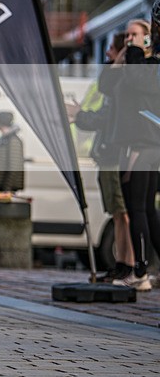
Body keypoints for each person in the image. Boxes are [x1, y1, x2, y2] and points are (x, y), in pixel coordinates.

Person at [98, 18, 160, 291]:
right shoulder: (130, 64)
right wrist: (123, 55)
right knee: (145, 208)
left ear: (148, 37)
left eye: (135, 35)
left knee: (138, 208)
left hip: (145, 143)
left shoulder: (149, 66)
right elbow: (106, 84)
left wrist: (135, 53)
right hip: (132, 142)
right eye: (127, 36)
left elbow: (138, 82)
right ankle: (144, 270)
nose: (129, 39)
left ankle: (141, 271)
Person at [67, 33, 134, 282]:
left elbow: (106, 116)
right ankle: (124, 264)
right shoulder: (115, 81)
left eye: (111, 50)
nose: (107, 54)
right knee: (117, 213)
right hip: (108, 155)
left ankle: (127, 264)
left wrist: (80, 115)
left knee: (122, 212)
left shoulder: (123, 83)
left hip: (114, 155)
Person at [0, 111, 25, 193]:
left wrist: (7, 188)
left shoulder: (13, 140)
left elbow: (14, 167)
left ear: (1, 121)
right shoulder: (4, 139)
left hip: (7, 187)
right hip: (1, 185)